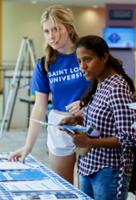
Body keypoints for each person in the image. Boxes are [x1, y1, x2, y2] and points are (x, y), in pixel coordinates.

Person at [9, 5, 90, 184]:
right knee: (64, 187)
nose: (51, 36)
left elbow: (107, 86)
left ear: (68, 27)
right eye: (46, 31)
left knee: (88, 189)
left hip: (91, 124)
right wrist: (28, 146)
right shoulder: (44, 64)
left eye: (56, 29)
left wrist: (86, 104)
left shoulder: (88, 53)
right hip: (59, 126)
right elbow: (39, 107)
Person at [59, 35, 136, 200]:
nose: (82, 66)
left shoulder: (117, 87)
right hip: (89, 166)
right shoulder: (100, 83)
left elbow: (129, 137)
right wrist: (77, 121)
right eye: (79, 61)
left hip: (109, 171)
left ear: (104, 57)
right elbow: (103, 122)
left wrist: (89, 142)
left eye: (87, 59)